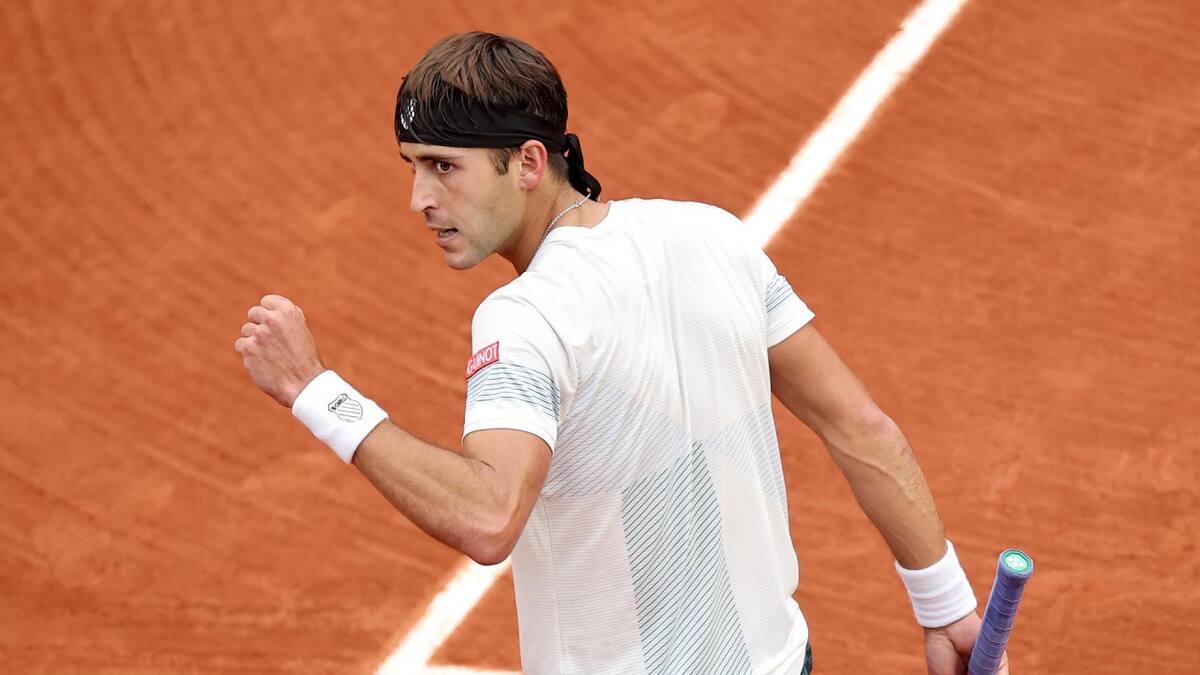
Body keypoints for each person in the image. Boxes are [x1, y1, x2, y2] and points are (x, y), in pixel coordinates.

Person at [234, 31, 1007, 675]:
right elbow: (861, 428)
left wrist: (314, 389)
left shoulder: (528, 316)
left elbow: (489, 514)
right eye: (413, 166)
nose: (420, 199)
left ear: (530, 163)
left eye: (444, 166)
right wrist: (946, 608)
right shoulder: (716, 236)